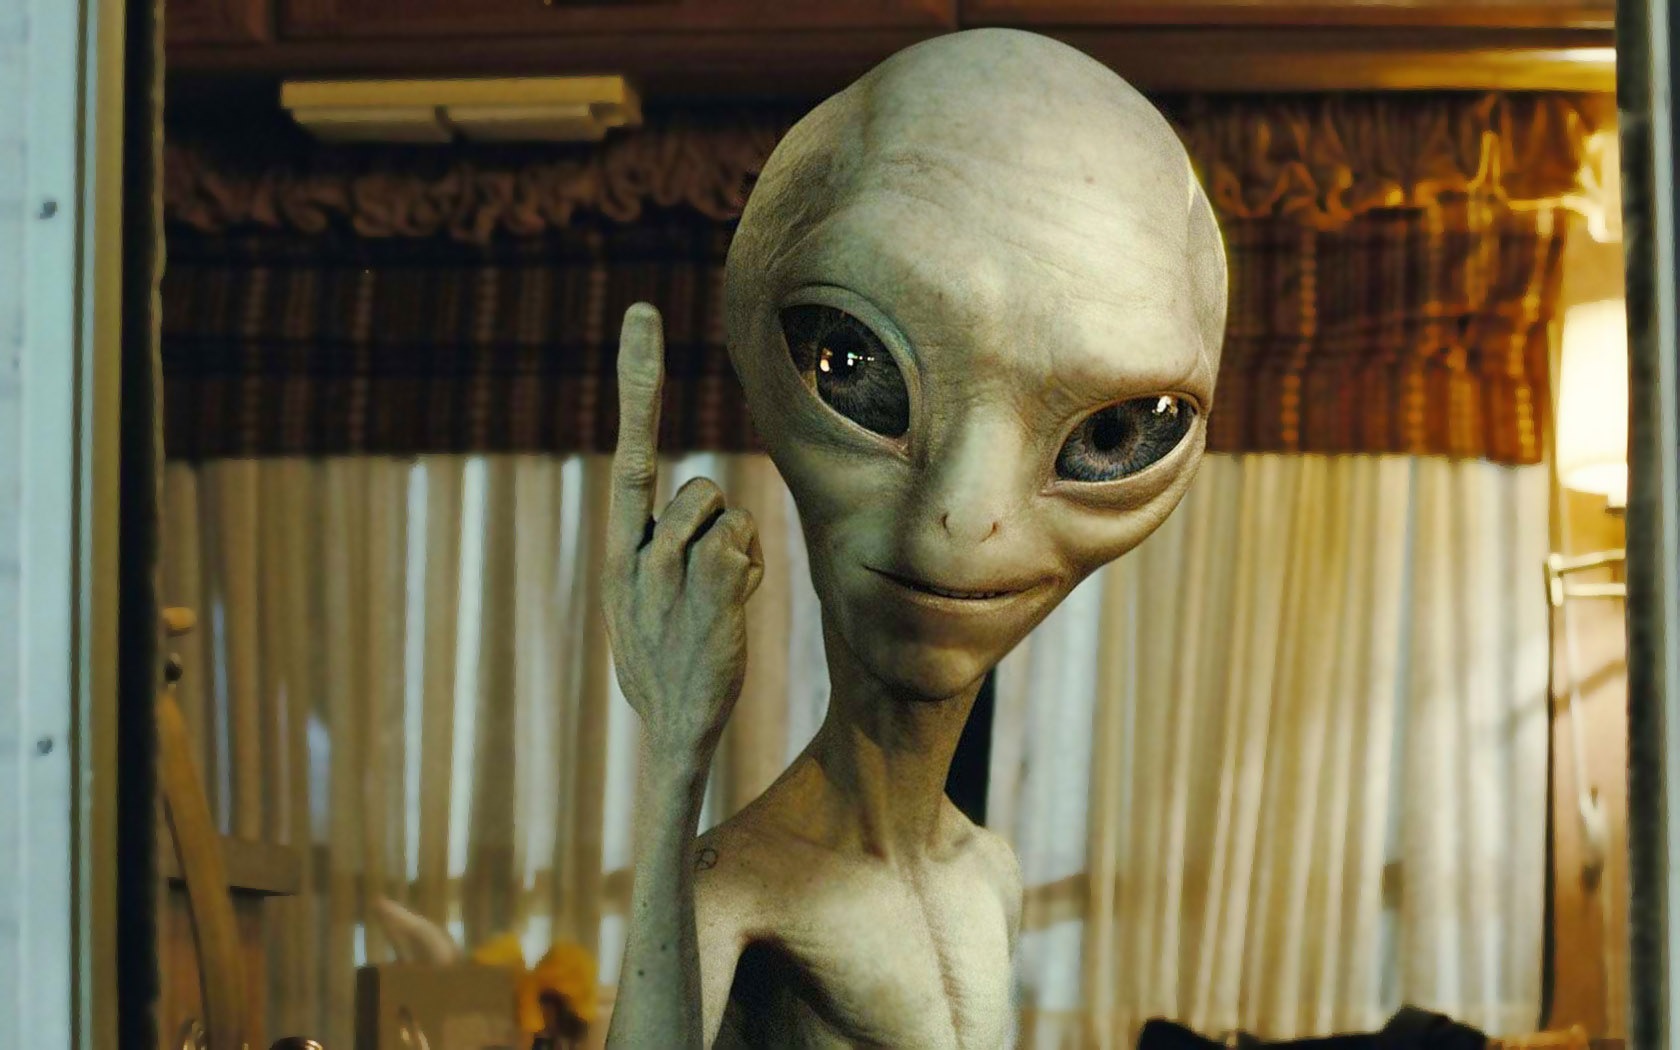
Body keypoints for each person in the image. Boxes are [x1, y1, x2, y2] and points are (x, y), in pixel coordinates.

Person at [601, 28, 1227, 1049]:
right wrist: (676, 753)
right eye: (853, 365)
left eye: (1113, 433)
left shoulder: (990, 872)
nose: (967, 520)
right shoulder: (738, 887)